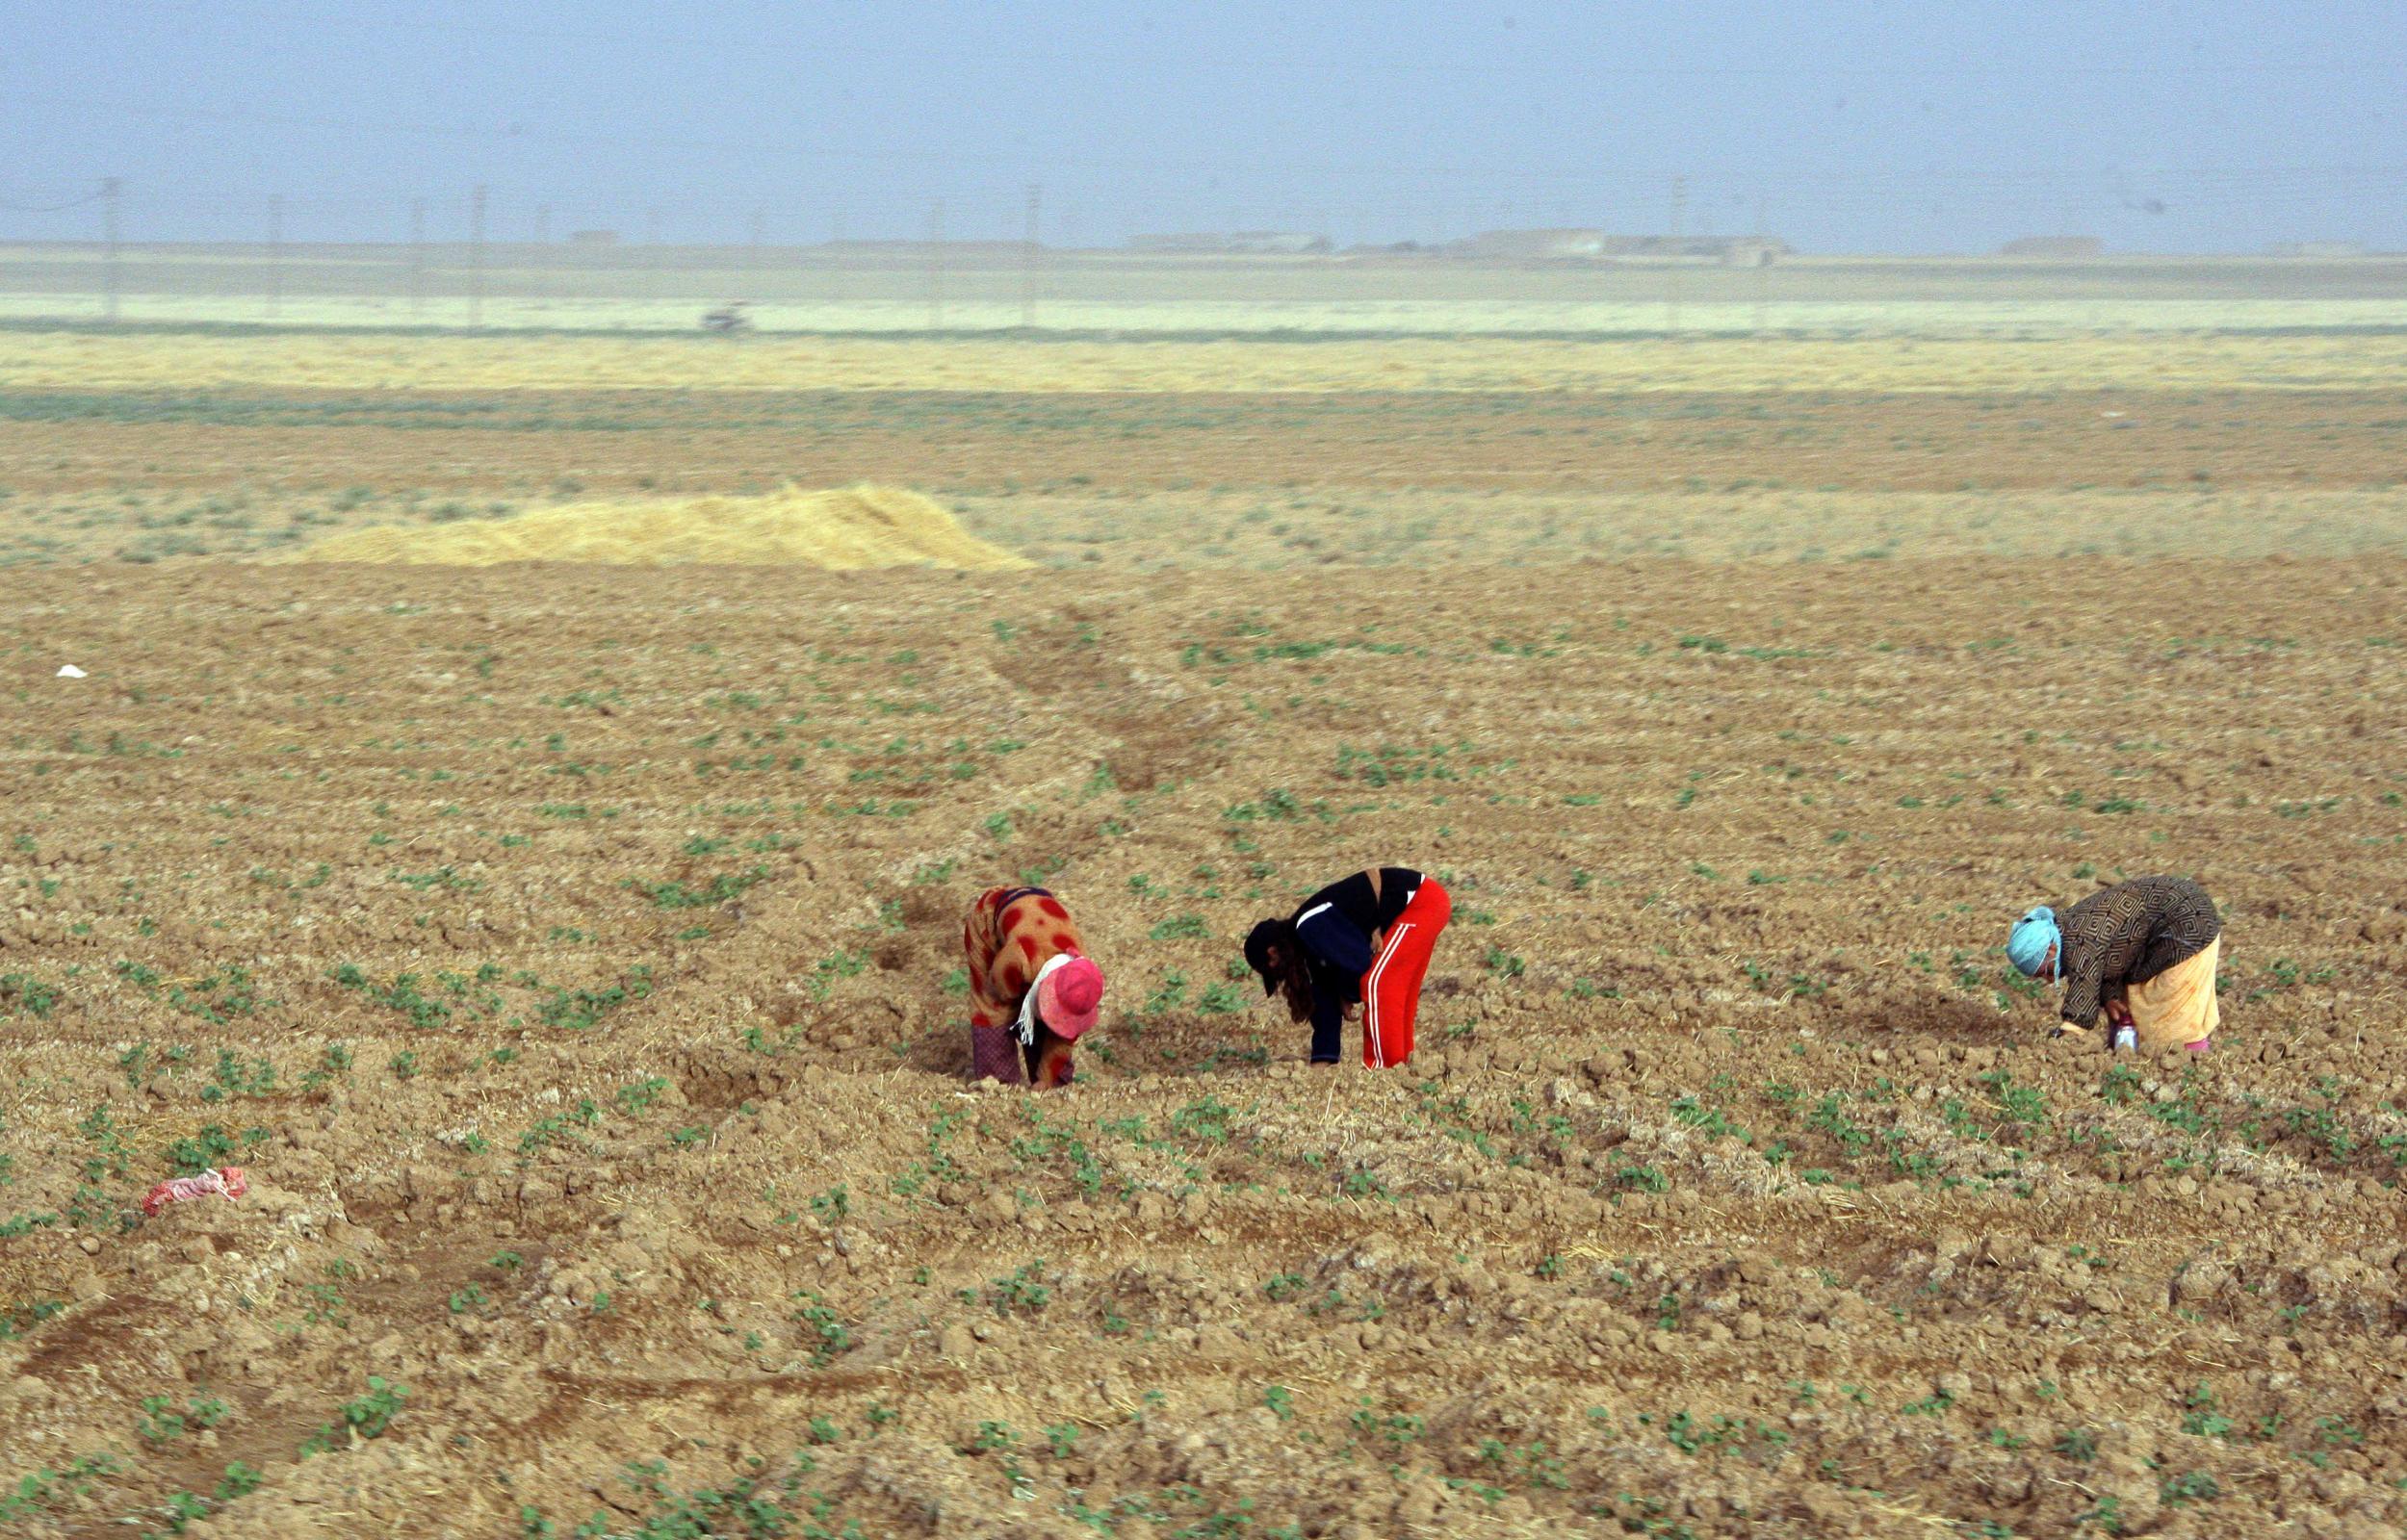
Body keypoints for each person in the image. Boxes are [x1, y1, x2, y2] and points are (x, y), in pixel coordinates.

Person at [1245, 865, 1451, 1068]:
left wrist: (1346, 992)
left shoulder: (1308, 925)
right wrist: (1321, 1061)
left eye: (1274, 971)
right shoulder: (1307, 948)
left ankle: (1384, 1070)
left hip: (1419, 902)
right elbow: (1324, 1000)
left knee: (1379, 984)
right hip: (1423, 903)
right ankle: (1402, 1066)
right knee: (1396, 989)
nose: (1282, 978)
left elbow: (1359, 961)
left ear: (1273, 954)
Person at [2006, 874, 2223, 1053]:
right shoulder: (2068, 929)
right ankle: (2129, 1056)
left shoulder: (2080, 938)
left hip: (2188, 924)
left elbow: (2086, 973)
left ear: (2051, 949)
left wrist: (2068, 1033)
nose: (2046, 979)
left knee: (2172, 1015)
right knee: (2130, 1007)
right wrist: (2109, 997)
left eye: (2044, 971)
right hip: (2160, 930)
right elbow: (2106, 956)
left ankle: (2191, 1064)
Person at [962, 885, 1104, 1089]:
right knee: (994, 1008)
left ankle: (1055, 1087)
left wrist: (1046, 1080)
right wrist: (1021, 1008)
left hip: (1037, 921)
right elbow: (1001, 984)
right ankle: (1000, 1084)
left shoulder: (1080, 980)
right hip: (990, 919)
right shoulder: (1020, 957)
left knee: (1050, 1023)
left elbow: (1064, 1036)